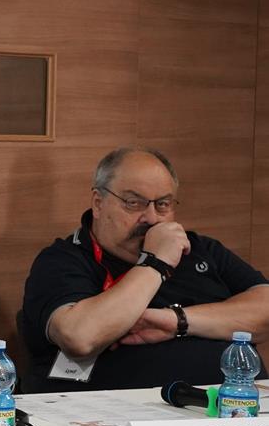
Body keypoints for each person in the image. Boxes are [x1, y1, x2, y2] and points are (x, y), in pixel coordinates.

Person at [20, 146, 269, 391]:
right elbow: (80, 338)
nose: (151, 218)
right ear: (98, 203)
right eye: (133, 203)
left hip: (232, 406)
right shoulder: (62, 260)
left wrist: (178, 321)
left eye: (163, 204)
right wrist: (156, 263)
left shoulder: (201, 249)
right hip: (110, 412)